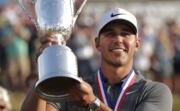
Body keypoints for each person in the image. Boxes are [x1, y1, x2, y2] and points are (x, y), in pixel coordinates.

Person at [20, 8, 173, 111]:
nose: (118, 39)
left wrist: (93, 103)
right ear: (97, 43)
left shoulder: (155, 91)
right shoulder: (74, 89)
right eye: (110, 34)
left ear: (137, 43)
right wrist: (44, 69)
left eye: (126, 34)